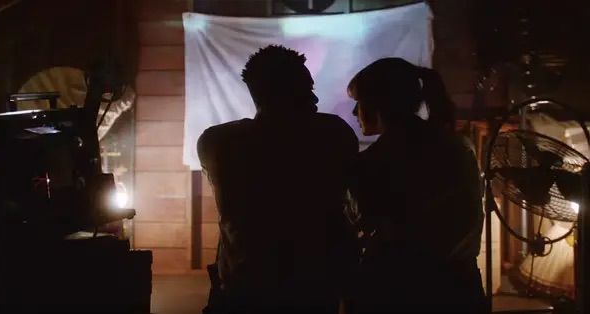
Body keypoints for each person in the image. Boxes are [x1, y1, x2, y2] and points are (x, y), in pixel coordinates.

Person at [197, 45, 359, 314]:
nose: (314, 99)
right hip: (313, 288)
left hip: (244, 286)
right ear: (286, 93)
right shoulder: (332, 135)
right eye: (307, 90)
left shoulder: (217, 142)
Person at [346, 58, 486, 313]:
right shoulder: (456, 146)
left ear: (378, 104)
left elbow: (368, 226)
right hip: (460, 288)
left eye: (358, 103)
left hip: (398, 290)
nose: (355, 113)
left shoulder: (375, 160)